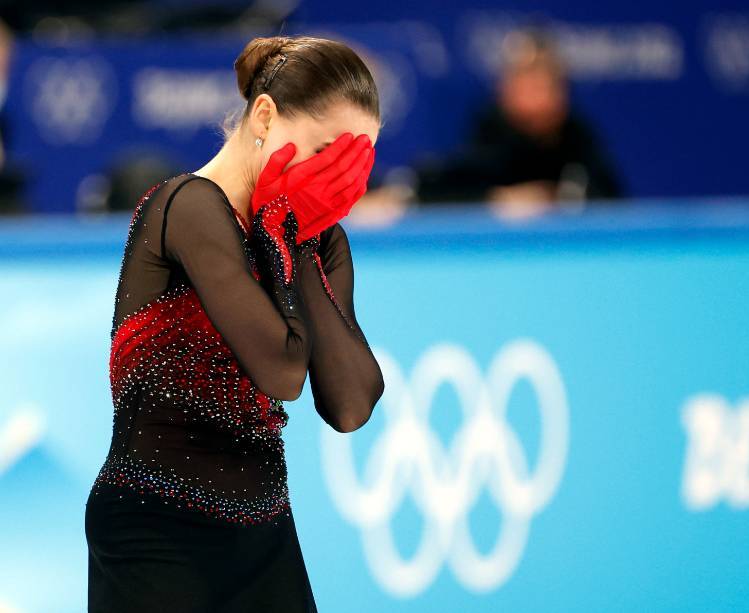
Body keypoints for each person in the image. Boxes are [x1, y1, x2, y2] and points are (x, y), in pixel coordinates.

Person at [83, 35, 384, 612]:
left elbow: (350, 405)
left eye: (357, 161)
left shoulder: (316, 238)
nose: (340, 181)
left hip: (264, 534)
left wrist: (295, 238)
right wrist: (282, 233)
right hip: (156, 530)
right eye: (328, 151)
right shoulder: (187, 206)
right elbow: (282, 369)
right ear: (265, 116)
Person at [403, 28, 624, 219]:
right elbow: (433, 192)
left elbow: (610, 199)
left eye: (542, 86)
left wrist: (555, 198)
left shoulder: (578, 138)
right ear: (504, 91)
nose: (534, 98)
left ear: (561, 93)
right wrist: (497, 200)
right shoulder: (488, 135)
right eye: (524, 84)